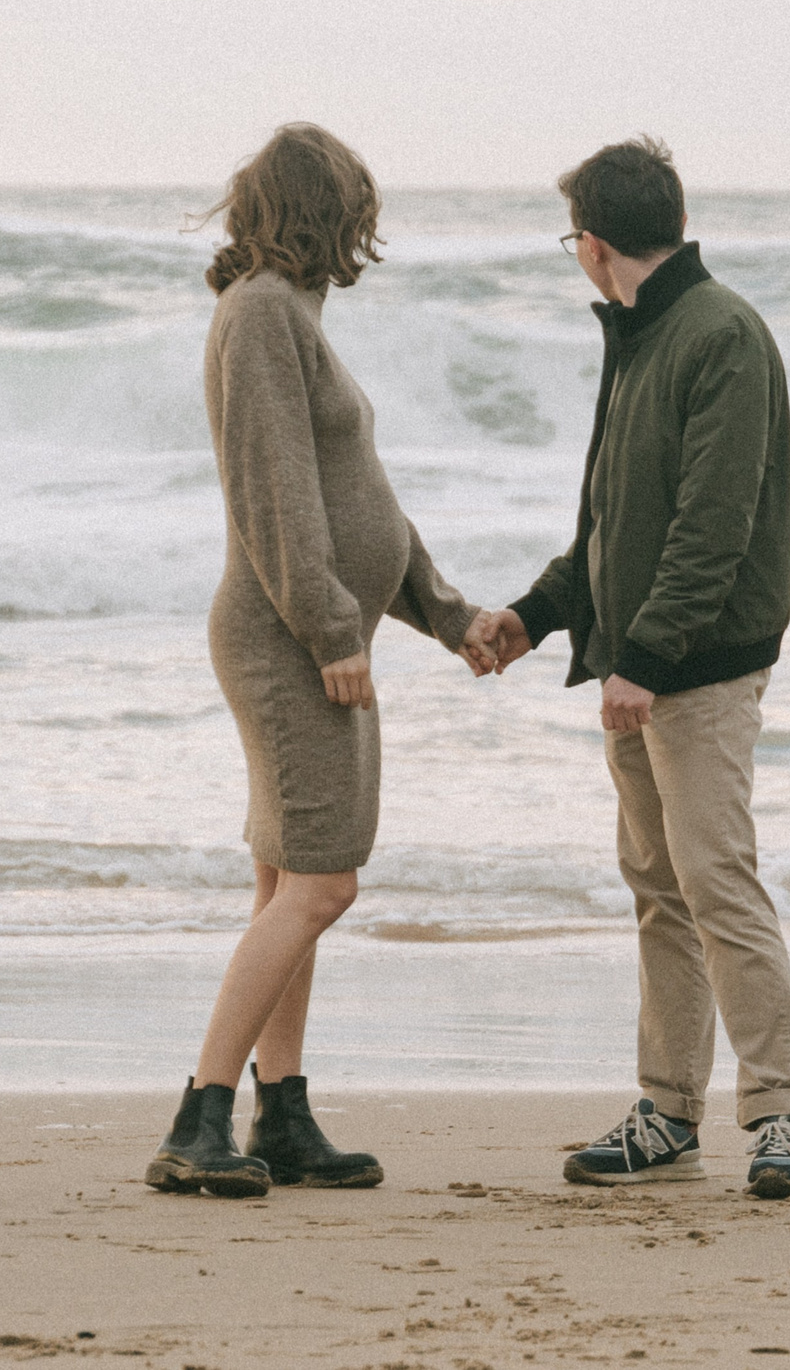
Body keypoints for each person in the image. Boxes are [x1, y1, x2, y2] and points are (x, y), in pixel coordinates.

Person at [147, 122, 496, 1198]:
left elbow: (359, 498)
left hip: (312, 627)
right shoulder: (257, 315)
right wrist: (331, 631)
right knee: (322, 881)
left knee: (285, 879)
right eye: (355, 205)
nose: (364, 225)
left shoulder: (288, 315)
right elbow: (277, 496)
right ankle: (196, 1122)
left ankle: (282, 1116)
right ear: (323, 210)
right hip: (288, 636)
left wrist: (445, 613)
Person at [468, 136, 790, 1200]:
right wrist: (537, 614)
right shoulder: (640, 334)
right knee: (660, 892)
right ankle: (668, 1110)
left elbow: (712, 524)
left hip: (695, 666)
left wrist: (650, 658)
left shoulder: (720, 335)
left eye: (570, 232)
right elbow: (616, 524)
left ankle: (782, 1118)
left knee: (715, 882)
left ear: (593, 240)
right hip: (638, 666)